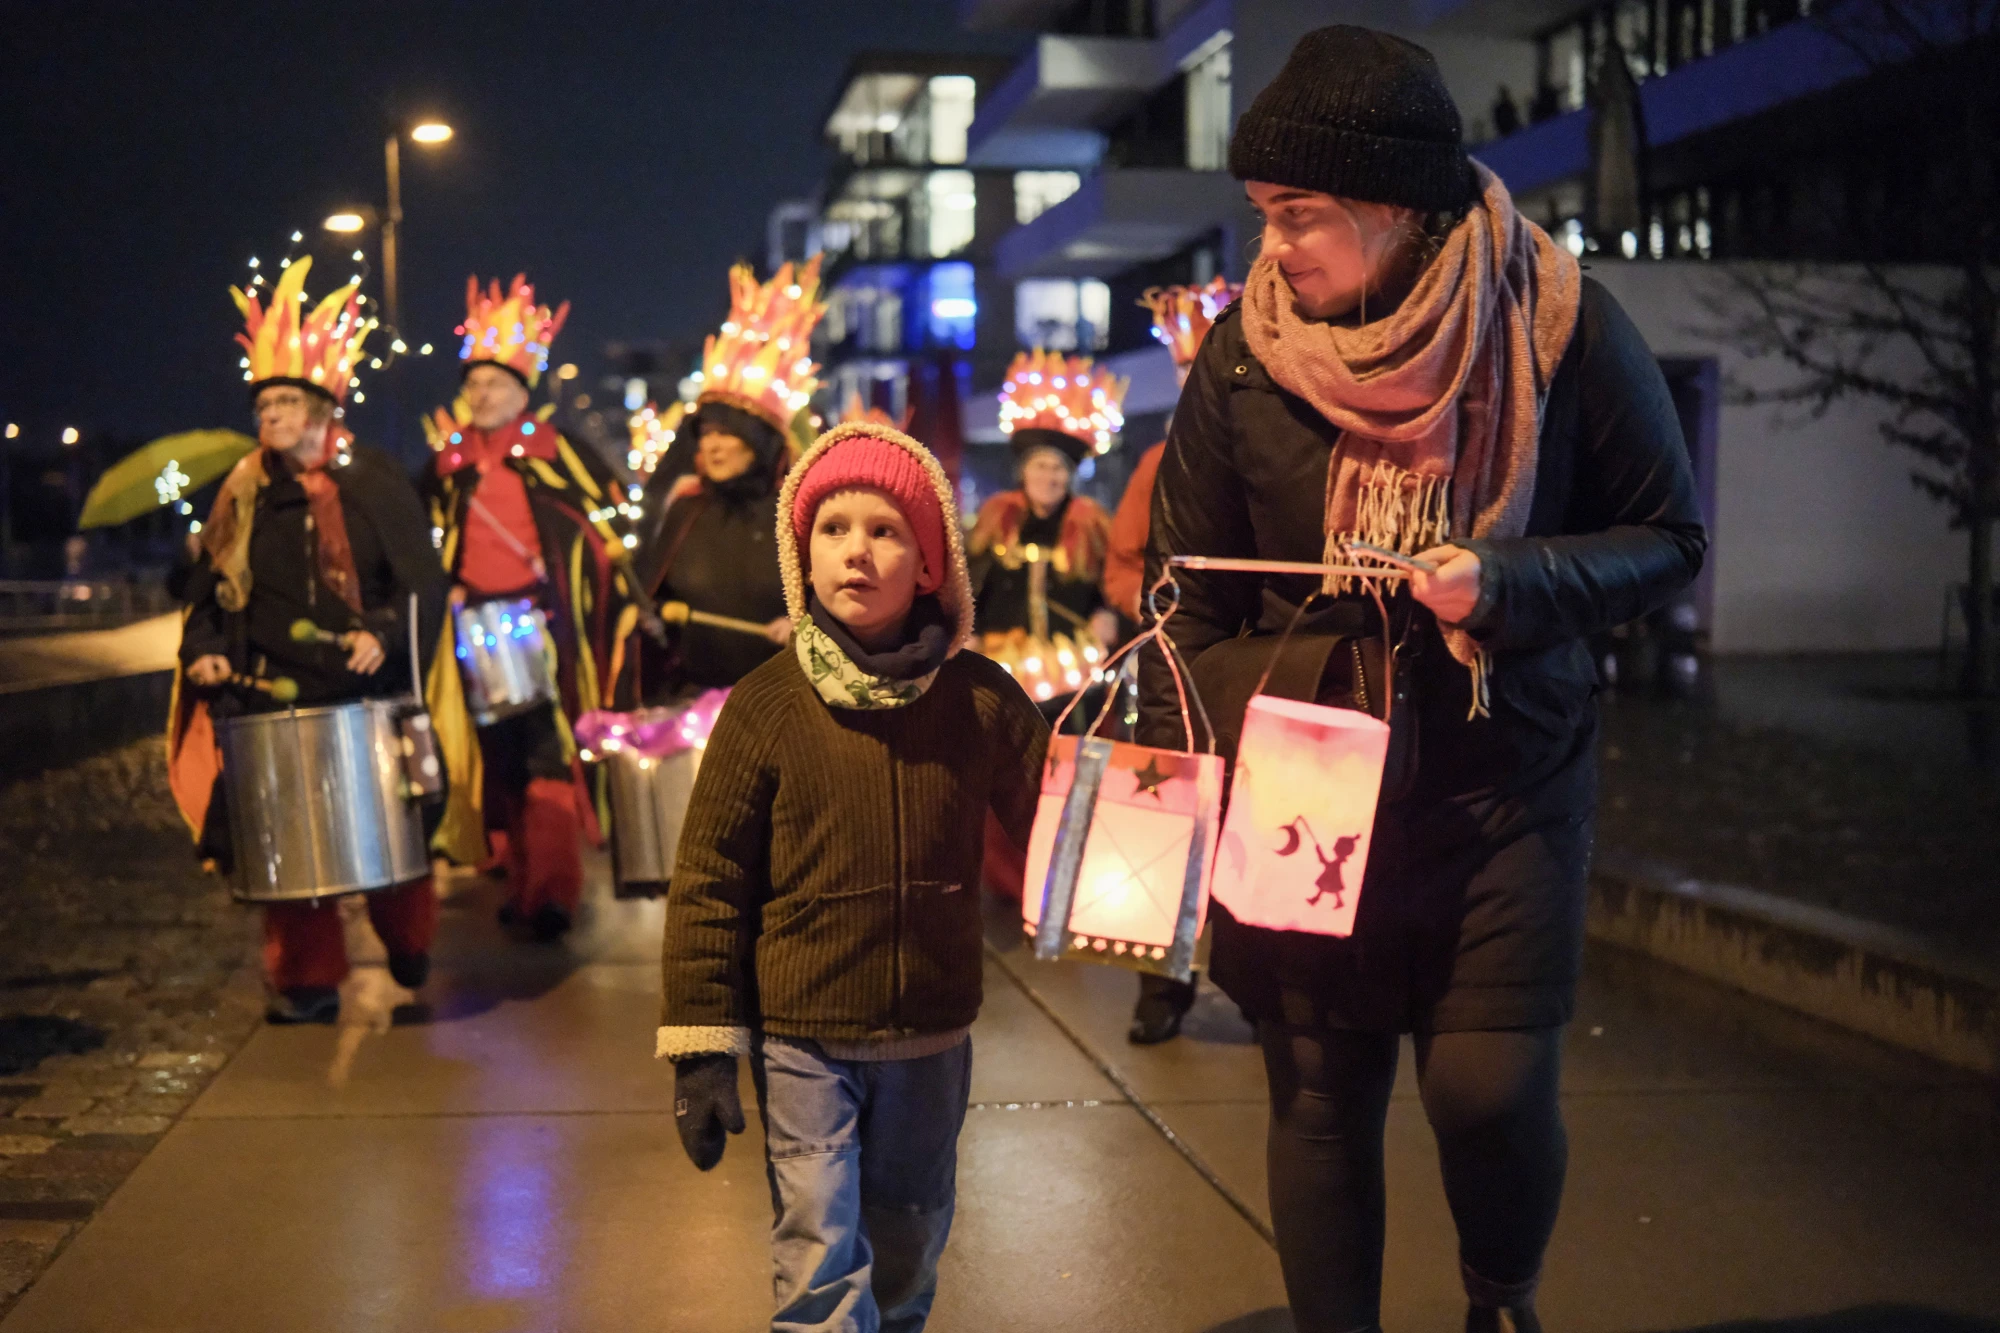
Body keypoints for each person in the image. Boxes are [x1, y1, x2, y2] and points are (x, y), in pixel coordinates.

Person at [1140, 27, 1706, 1332]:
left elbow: (1666, 536)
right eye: (1266, 217)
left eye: (1304, 217)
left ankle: (1500, 1296)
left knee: (1488, 1090)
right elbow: (1179, 603)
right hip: (1304, 785)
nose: (1275, 249)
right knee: (1323, 1095)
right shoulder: (1243, 357)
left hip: (1501, 781)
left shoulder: (1554, 321)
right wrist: (1226, 761)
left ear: (1395, 209)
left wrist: (1504, 584)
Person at [657, 421, 1048, 1333]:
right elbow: (710, 879)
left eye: (885, 530)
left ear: (927, 563)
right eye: (833, 529)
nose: (856, 552)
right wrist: (704, 1044)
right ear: (804, 555)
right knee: (818, 1247)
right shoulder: (766, 705)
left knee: (908, 1244)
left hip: (930, 1032)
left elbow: (1067, 822)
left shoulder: (980, 698)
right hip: (804, 1036)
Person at [169, 257, 447, 1025]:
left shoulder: (375, 481)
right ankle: (307, 980)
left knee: (395, 832)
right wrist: (205, 647)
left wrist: (387, 634)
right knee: (287, 851)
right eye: (263, 400)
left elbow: (422, 584)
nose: (271, 412)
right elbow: (205, 591)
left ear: (324, 408)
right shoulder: (239, 491)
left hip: (365, 690)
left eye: (287, 399)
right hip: (271, 693)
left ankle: (407, 939)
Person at [421, 274, 645, 941]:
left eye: (496, 385)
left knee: (550, 755)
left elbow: (601, 530)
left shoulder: (560, 452)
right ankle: (522, 884)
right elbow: (434, 538)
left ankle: (552, 891)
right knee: (503, 760)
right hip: (473, 628)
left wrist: (567, 582)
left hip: (549, 629)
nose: (483, 395)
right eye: (475, 385)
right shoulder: (450, 463)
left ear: (524, 392)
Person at [1104, 277, 1240, 1045]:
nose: (1197, 385)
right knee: (1163, 833)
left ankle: (1258, 986)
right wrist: (1145, 602)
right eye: (1186, 373)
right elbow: (1123, 562)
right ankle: (1161, 989)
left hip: (1250, 669)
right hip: (1171, 672)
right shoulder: (1156, 461)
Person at [630, 257, 826, 703]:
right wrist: (649, 617)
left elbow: (835, 603)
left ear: (757, 445)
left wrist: (807, 625)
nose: (713, 447)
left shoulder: (797, 514)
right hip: (696, 703)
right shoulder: (686, 510)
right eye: (707, 435)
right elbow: (651, 596)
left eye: (728, 434)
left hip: (786, 700)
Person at [967, 349, 1124, 707]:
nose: (1048, 478)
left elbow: (1108, 582)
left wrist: (1106, 615)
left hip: (1072, 664)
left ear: (1069, 476)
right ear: (1023, 471)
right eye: (1039, 467)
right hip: (1000, 655)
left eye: (1058, 469)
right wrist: (969, 634)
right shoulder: (998, 517)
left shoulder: (1090, 522)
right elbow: (976, 581)